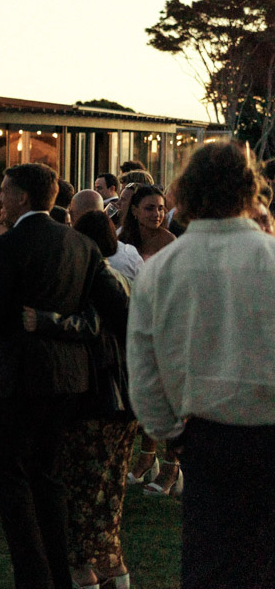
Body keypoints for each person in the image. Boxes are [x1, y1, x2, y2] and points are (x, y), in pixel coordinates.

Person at [0, 163, 127, 589]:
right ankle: (59, 575)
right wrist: (64, 323)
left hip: (20, 378)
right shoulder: (81, 244)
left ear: (22, 197)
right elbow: (117, 311)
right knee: (47, 477)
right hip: (69, 382)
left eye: (3, 191)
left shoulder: (7, 247)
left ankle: (34, 577)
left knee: (8, 475)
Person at [128, 142, 275, 588]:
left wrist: (170, 433)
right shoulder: (270, 258)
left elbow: (144, 371)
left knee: (213, 565)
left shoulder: (162, 268)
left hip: (206, 436)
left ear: (187, 192)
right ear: (250, 190)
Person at [41, 213, 134, 589]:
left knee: (82, 490)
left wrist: (47, 320)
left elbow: (90, 326)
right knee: (109, 492)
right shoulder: (119, 278)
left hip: (97, 398)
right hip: (122, 400)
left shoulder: (96, 279)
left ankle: (83, 570)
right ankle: (113, 567)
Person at [117, 184, 180, 493]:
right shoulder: (122, 239)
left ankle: (171, 467)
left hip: (166, 325)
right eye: (149, 208)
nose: (156, 214)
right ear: (134, 211)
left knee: (168, 396)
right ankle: (145, 457)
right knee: (142, 393)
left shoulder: (170, 242)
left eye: (159, 208)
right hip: (133, 324)